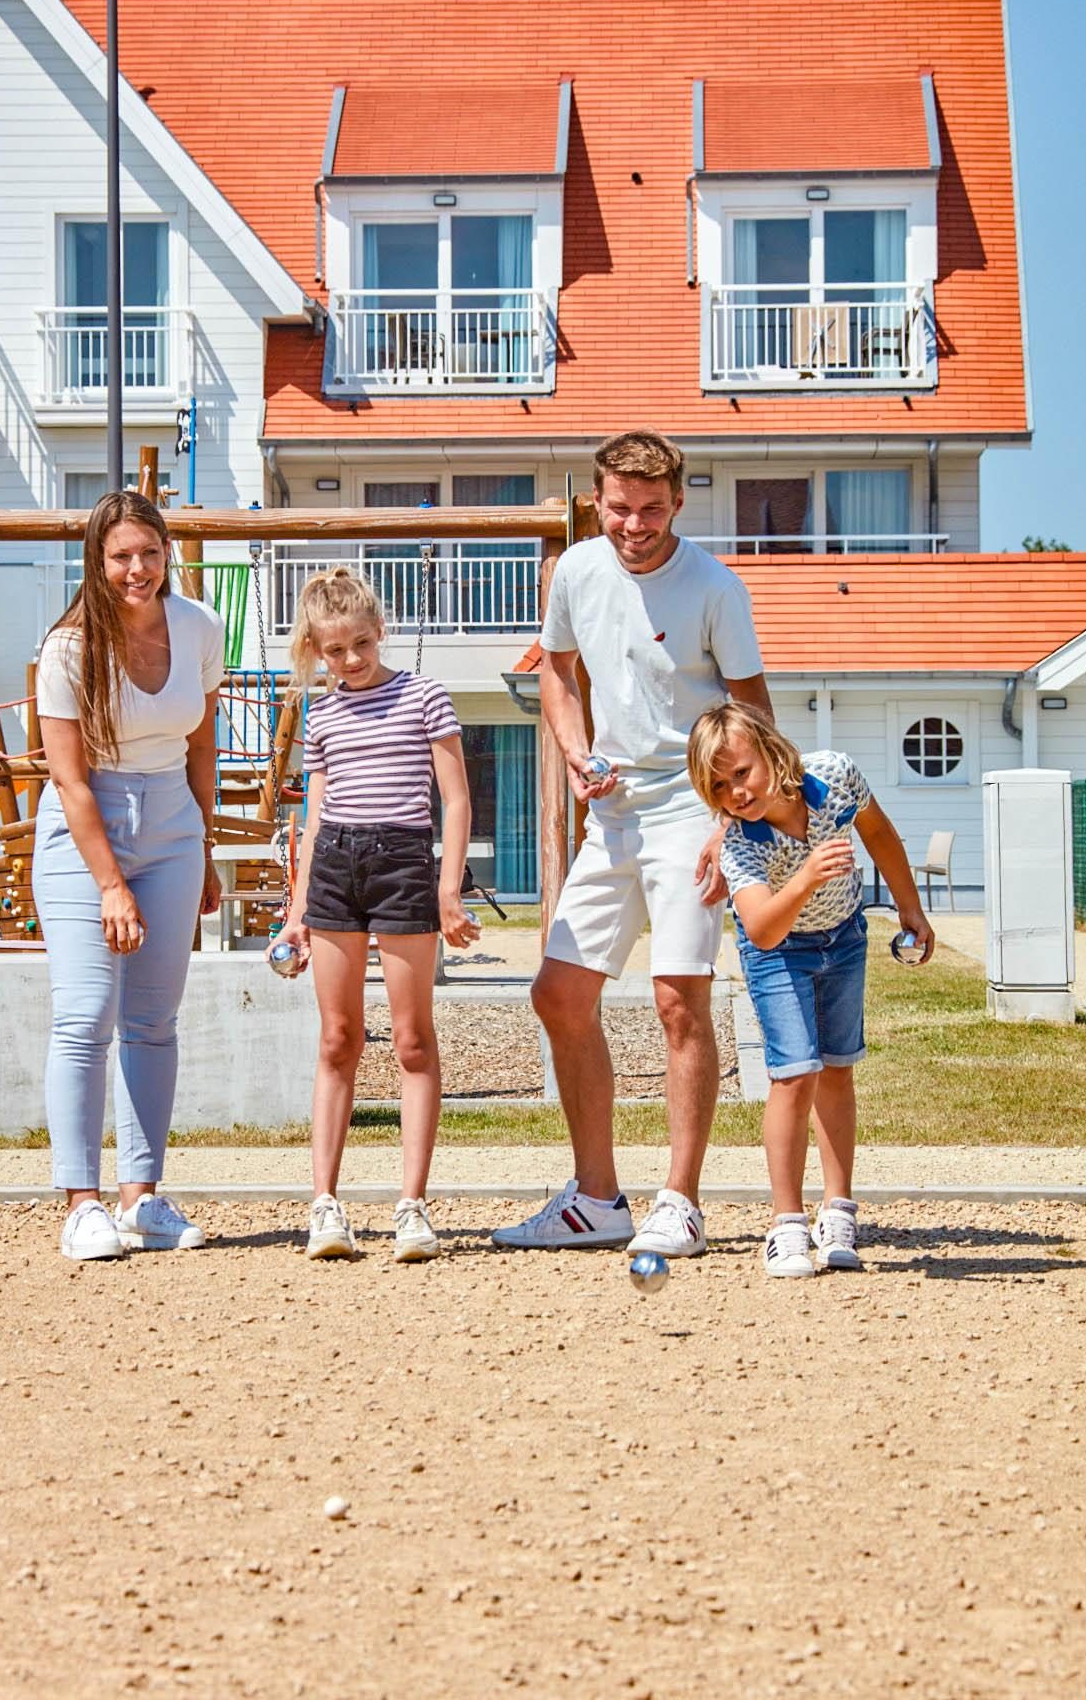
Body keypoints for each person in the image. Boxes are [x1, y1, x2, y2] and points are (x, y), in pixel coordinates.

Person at [493, 429, 772, 1256]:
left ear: (678, 503)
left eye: (652, 509)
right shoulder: (575, 570)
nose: (635, 525)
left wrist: (731, 824)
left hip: (693, 808)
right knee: (558, 994)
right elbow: (555, 670)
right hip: (612, 813)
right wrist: (576, 752)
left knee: (677, 1000)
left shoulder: (716, 587)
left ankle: (679, 1200)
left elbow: (753, 714)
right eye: (619, 508)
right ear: (598, 503)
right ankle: (598, 1197)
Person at [32, 490, 224, 1260]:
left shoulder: (200, 626)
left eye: (148, 552)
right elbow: (71, 782)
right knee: (84, 1015)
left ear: (167, 551)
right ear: (97, 562)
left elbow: (203, 748)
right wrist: (110, 883)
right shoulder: (69, 649)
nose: (136, 569)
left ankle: (142, 1198)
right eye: (120, 557)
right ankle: (81, 1203)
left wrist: (204, 849)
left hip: (174, 823)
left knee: (154, 1021)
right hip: (88, 832)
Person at [687, 699, 934, 1278]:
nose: (736, 794)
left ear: (771, 752)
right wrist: (805, 876)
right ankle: (786, 1224)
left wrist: (910, 908)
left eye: (741, 773)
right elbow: (762, 929)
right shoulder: (741, 843)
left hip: (844, 937)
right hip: (779, 954)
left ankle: (838, 1211)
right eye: (719, 788)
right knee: (795, 1073)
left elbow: (881, 834)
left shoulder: (837, 776)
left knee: (837, 1067)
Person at [273, 567, 479, 1263]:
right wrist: (297, 910)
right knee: (338, 1039)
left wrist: (447, 889)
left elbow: (455, 801)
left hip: (401, 866)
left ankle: (411, 1206)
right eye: (334, 650)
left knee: (414, 1039)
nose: (351, 660)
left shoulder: (424, 696)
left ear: (379, 630)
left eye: (360, 643)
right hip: (334, 867)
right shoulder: (322, 711)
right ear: (314, 650)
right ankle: (324, 1205)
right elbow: (317, 809)